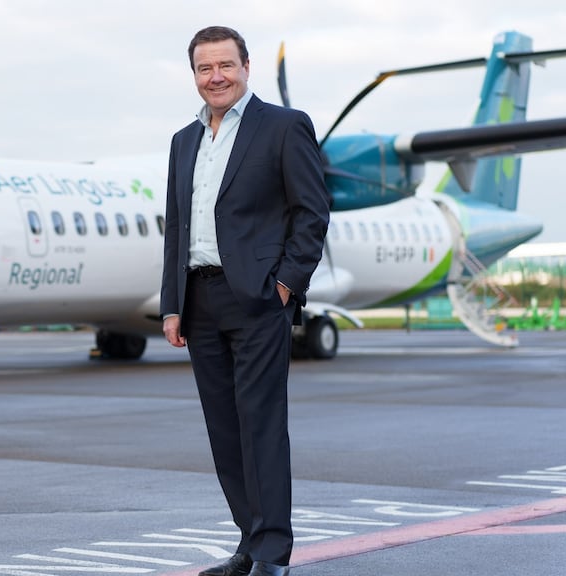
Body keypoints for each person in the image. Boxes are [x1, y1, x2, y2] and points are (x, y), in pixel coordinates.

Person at [160, 27, 330, 576]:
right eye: (205, 69)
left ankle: (273, 554)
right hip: (200, 299)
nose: (216, 77)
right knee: (224, 431)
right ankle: (248, 541)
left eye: (225, 66)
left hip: (258, 300)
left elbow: (311, 213)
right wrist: (172, 304)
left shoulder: (283, 126)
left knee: (260, 425)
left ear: (246, 66)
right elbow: (177, 229)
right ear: (195, 75)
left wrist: (285, 285)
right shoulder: (183, 140)